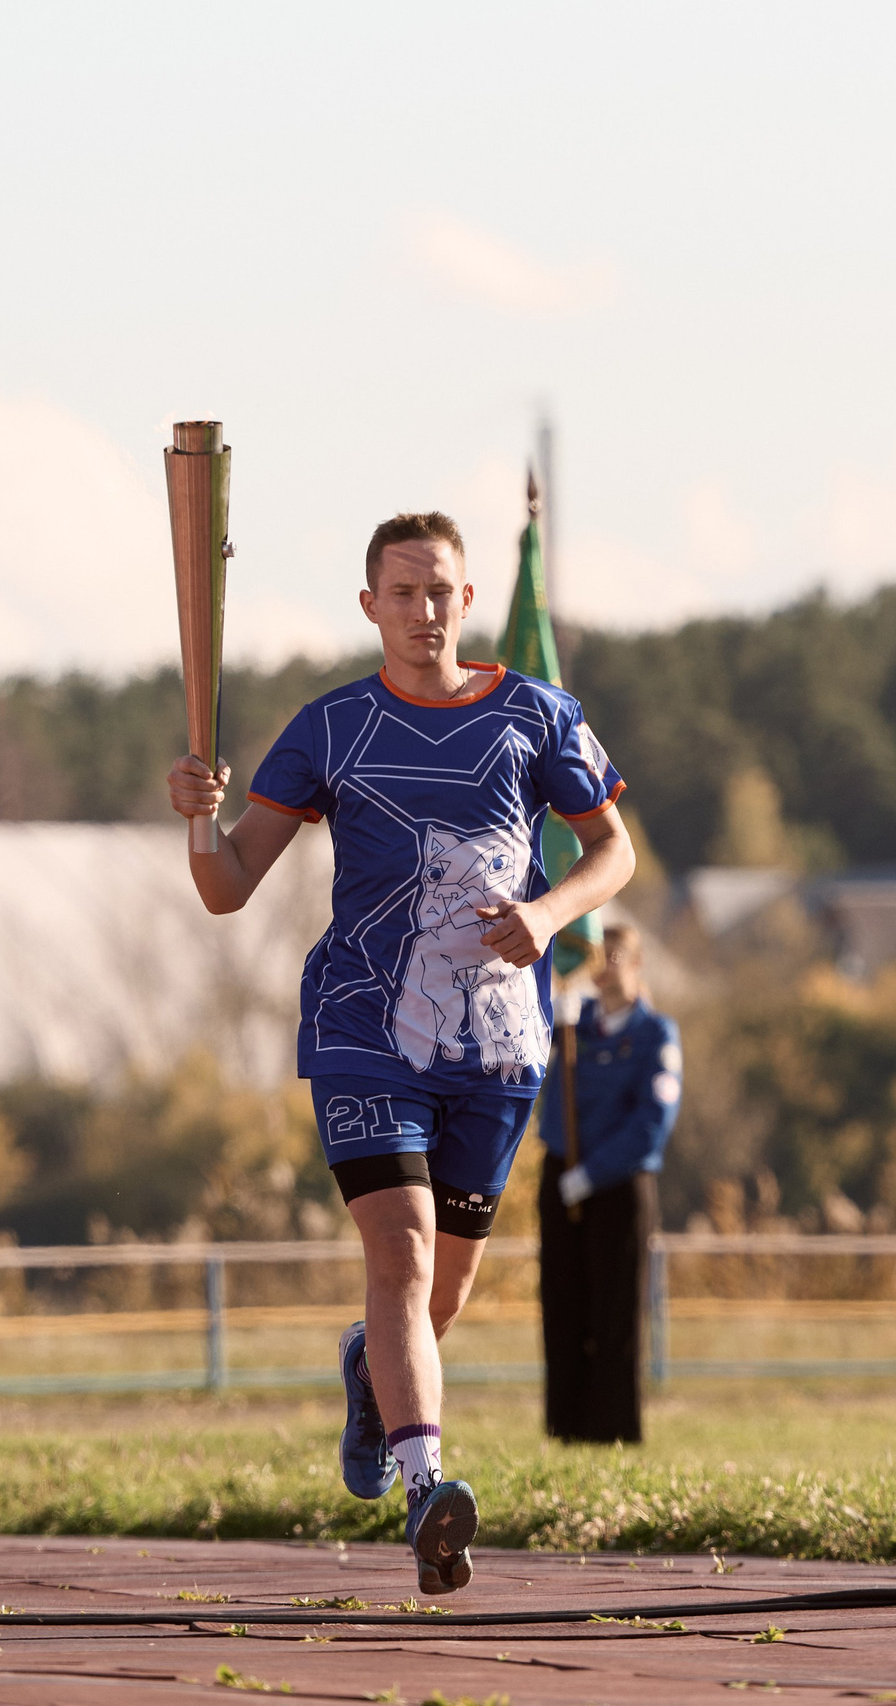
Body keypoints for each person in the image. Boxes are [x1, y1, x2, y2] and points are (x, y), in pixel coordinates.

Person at [166, 511, 635, 1595]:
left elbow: (613, 850)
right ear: (369, 603)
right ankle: (429, 1487)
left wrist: (551, 911)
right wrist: (199, 815)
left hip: (500, 1042)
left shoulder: (534, 712)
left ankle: (369, 1375)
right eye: (403, 592)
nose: (423, 611)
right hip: (362, 1032)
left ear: (466, 603)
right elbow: (225, 885)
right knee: (403, 1254)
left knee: (442, 1294)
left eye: (440, 593)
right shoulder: (330, 728)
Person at [537, 922, 680, 1444]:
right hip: (562, 1174)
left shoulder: (655, 1034)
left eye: (616, 956)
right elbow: (543, 1090)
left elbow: (651, 1123)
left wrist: (592, 1174)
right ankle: (567, 1427)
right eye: (600, 955)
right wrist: (553, 1015)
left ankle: (614, 1429)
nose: (606, 965)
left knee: (616, 1309)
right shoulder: (573, 1028)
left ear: (637, 964)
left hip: (619, 1186)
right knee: (563, 1301)